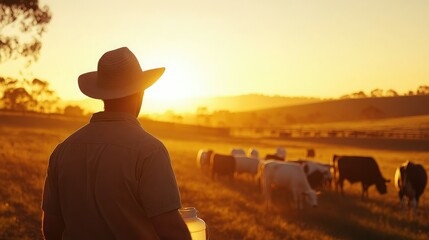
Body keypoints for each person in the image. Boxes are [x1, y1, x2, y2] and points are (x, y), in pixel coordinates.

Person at [42, 47, 192, 240]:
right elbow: (171, 230)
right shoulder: (149, 150)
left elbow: (51, 228)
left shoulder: (63, 150)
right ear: (140, 93)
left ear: (102, 94)